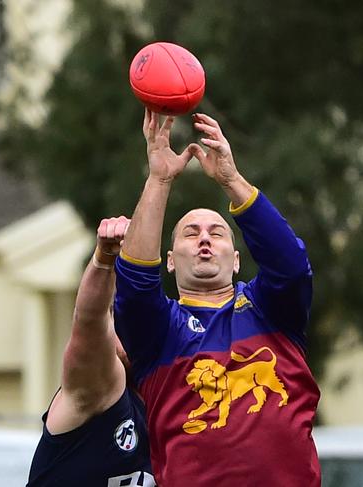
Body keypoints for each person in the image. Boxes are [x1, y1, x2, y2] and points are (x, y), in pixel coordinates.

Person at [113, 109, 321, 486]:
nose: (205, 238)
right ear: (171, 262)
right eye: (191, 233)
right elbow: (134, 286)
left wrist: (231, 179)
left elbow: (291, 265)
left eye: (217, 233)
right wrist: (159, 179)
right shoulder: (161, 332)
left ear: (237, 260)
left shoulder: (270, 311)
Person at [27, 217, 156, 487]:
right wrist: (104, 259)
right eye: (117, 318)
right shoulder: (97, 389)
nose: (130, 330)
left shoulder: (172, 412)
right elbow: (90, 321)